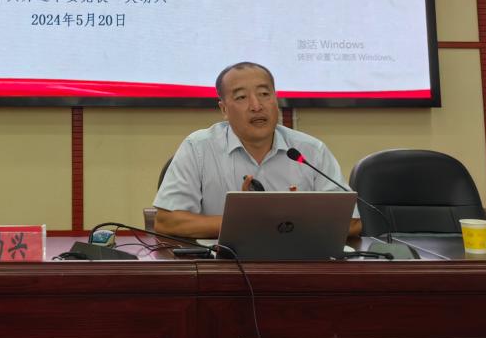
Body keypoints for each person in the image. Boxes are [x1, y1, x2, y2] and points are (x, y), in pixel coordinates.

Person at [154, 61, 362, 239]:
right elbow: (167, 221)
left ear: (275, 100)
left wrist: (291, 220)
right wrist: (242, 222)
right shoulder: (198, 148)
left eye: (264, 94)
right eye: (241, 97)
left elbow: (352, 223)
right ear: (224, 109)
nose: (256, 106)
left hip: (296, 262)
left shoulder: (310, 151)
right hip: (224, 264)